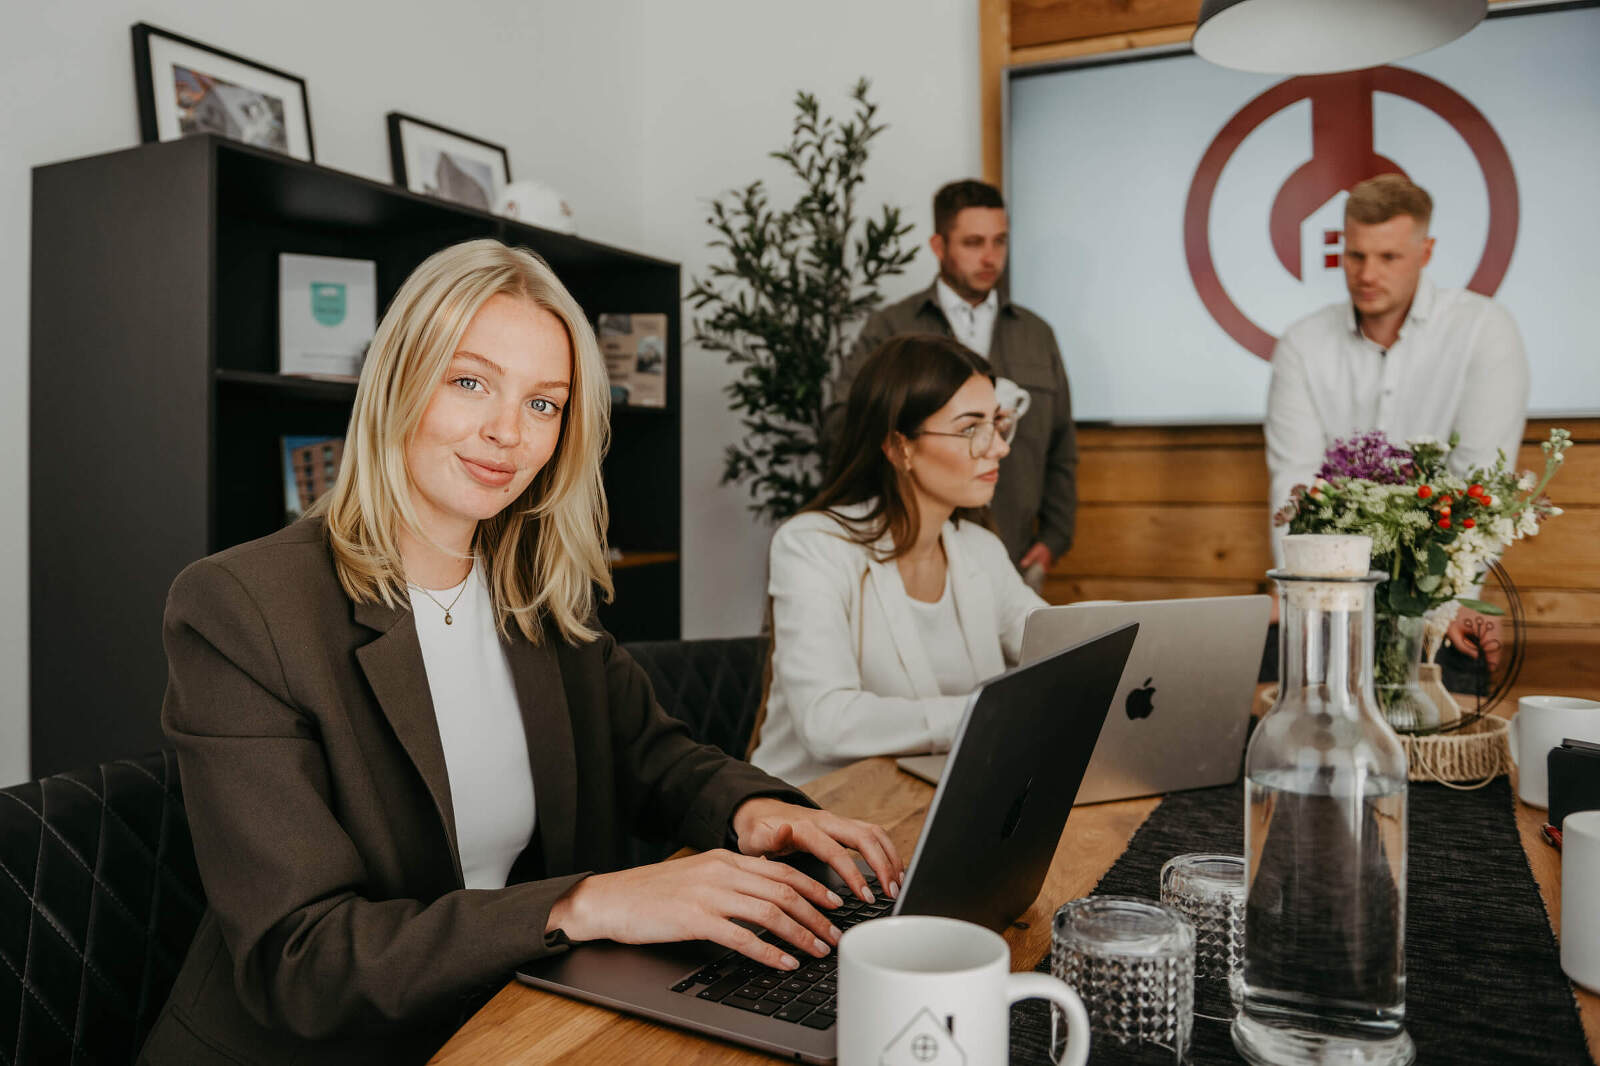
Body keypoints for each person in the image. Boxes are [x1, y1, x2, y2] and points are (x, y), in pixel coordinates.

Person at [140, 240, 903, 1066]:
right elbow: (304, 959)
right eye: (470, 382)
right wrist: (586, 903)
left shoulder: (533, 588)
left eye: (545, 404)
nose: (508, 433)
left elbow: (652, 755)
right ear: (399, 381)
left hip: (503, 1019)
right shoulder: (241, 608)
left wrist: (753, 812)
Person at [751, 334, 1048, 785]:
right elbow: (827, 722)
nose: (999, 448)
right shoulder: (811, 545)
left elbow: (1055, 645)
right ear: (899, 447)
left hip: (927, 799)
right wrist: (987, 714)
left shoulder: (979, 549)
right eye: (971, 429)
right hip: (809, 815)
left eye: (997, 424)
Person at [1265, 173, 1530, 661]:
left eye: (1388, 257)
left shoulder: (1483, 330)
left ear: (1425, 253)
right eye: (1355, 255)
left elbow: (1477, 485)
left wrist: (1446, 605)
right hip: (1327, 594)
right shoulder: (1302, 343)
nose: (1367, 273)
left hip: (1438, 599)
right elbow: (1295, 481)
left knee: (1449, 693)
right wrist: (1302, 597)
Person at [825, 179, 1078, 577]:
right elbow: (846, 422)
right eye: (973, 243)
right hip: (914, 552)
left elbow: (1062, 444)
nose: (990, 257)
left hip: (1013, 552)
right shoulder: (892, 327)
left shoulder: (1037, 334)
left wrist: (1055, 538)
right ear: (939, 246)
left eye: (1000, 241)